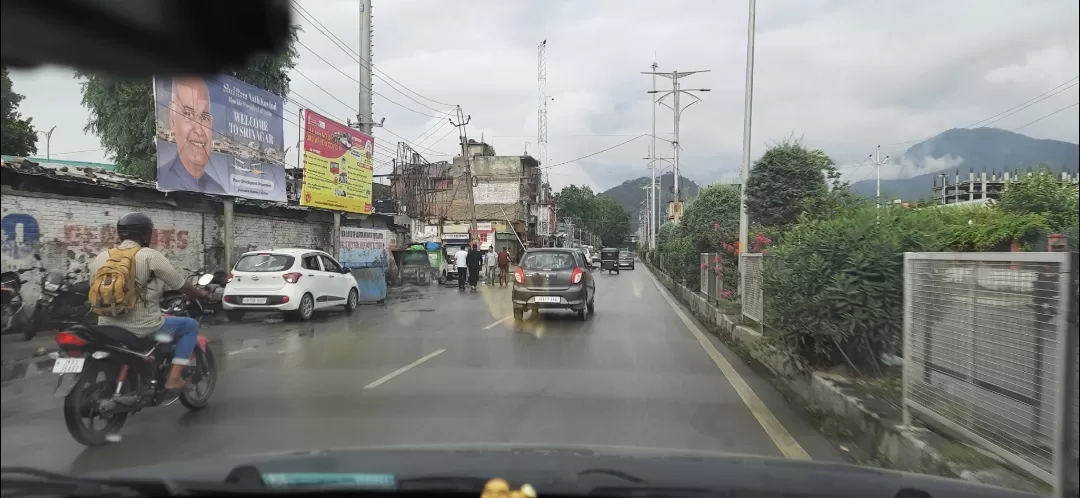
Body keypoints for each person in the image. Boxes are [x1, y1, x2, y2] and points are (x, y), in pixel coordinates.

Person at [90, 213, 209, 390]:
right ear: (146, 234)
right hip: (142, 326)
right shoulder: (149, 256)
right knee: (189, 325)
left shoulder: (102, 257)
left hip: (106, 325)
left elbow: (93, 286)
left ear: (120, 233)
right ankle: (174, 378)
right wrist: (199, 294)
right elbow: (179, 283)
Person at [157, 77, 226, 194]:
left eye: (204, 117)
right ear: (172, 118)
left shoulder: (218, 190)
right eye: (189, 114)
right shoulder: (165, 179)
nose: (199, 130)